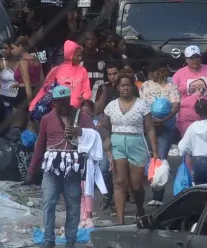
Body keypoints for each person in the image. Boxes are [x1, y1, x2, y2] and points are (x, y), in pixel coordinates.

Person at [28, 85, 93, 248]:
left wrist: (80, 133)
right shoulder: (47, 119)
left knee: (73, 206)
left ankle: (70, 241)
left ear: (69, 100)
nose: (63, 105)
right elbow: (40, 146)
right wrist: (31, 170)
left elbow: (95, 137)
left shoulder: (82, 117)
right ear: (54, 103)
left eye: (65, 101)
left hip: (73, 169)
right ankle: (49, 240)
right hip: (51, 169)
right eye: (59, 102)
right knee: (48, 202)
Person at [100, 74, 155, 224]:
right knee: (119, 181)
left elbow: (149, 128)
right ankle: (120, 220)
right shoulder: (111, 105)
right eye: (122, 85)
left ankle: (139, 207)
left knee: (136, 184)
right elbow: (104, 125)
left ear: (133, 87)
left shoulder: (142, 105)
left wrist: (154, 151)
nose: (125, 88)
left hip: (137, 142)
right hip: (117, 142)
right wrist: (107, 138)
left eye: (128, 85)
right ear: (118, 88)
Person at [139, 64, 180, 205]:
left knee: (161, 158)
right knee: (150, 159)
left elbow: (176, 106)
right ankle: (152, 189)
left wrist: (164, 119)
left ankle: (158, 195)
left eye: (155, 70)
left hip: (166, 128)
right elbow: (142, 105)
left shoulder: (171, 87)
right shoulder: (145, 86)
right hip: (149, 127)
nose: (153, 73)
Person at [171, 45, 207, 136]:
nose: (195, 60)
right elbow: (172, 91)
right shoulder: (179, 74)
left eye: (197, 57)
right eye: (192, 58)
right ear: (186, 60)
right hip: (186, 118)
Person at [29, 41, 92, 111]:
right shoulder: (56, 70)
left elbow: (87, 91)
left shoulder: (82, 70)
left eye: (80, 55)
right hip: (57, 112)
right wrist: (33, 104)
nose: (80, 58)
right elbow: (45, 89)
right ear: (69, 55)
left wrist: (84, 97)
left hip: (76, 112)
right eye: (77, 55)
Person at [178, 98, 207, 184]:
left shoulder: (192, 127)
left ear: (196, 111)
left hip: (197, 162)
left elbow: (182, 147)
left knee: (200, 190)